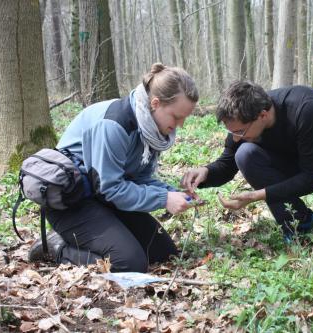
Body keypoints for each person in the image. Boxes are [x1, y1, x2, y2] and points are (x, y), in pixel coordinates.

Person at [28, 63, 200, 272]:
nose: (180, 124)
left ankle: (93, 238)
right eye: (177, 116)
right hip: (72, 202)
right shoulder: (115, 124)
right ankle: (56, 247)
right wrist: (164, 200)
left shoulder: (151, 130)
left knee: (163, 252)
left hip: (102, 197)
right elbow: (111, 189)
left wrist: (172, 193)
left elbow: (140, 179)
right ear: (155, 103)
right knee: (128, 263)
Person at [181, 81, 313, 245]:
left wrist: (259, 195)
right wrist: (205, 172)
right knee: (245, 154)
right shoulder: (243, 118)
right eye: (232, 133)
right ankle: (301, 226)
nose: (236, 138)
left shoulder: (305, 107)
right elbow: (227, 164)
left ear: (263, 115)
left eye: (239, 132)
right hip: (302, 163)